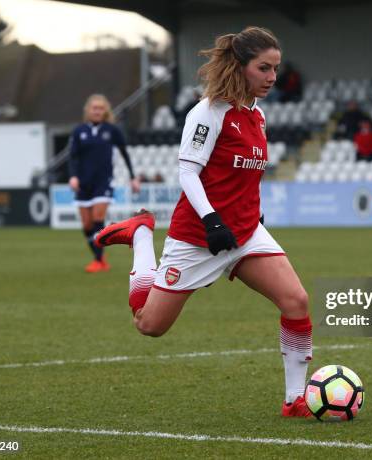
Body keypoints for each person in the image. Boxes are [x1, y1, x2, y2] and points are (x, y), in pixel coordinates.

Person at [94, 27, 313, 417]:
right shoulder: (207, 112)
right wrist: (212, 220)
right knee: (149, 325)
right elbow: (188, 172)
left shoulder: (258, 116)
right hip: (199, 235)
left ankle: (295, 400)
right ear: (241, 66)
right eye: (264, 68)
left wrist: (251, 214)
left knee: (295, 301)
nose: (272, 78)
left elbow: (243, 175)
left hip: (245, 233)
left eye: (275, 69)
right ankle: (141, 235)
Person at [68, 94, 140, 273]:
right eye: (94, 108)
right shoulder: (79, 131)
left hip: (103, 182)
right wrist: (73, 176)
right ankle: (99, 257)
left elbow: (124, 153)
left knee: (97, 219)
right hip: (84, 183)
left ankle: (99, 261)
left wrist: (132, 176)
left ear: (105, 111)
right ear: (88, 111)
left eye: (101, 108)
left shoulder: (112, 130)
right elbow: (73, 157)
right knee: (86, 225)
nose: (97, 111)